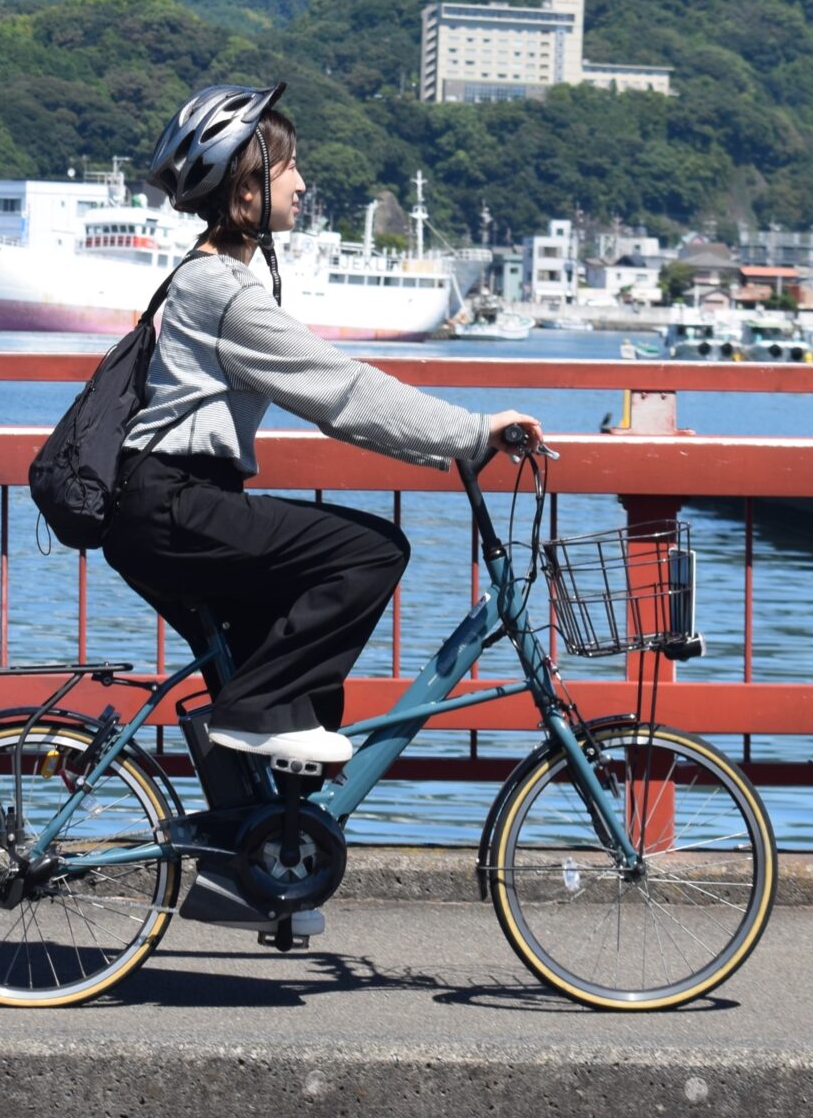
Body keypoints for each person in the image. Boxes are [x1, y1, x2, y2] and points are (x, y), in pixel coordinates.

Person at [102, 83, 540, 782]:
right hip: (176, 504)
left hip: (162, 509)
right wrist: (472, 432)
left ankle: (248, 868)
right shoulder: (222, 291)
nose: (302, 183)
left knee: (287, 689)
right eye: (287, 168)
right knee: (369, 552)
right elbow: (341, 390)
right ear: (244, 187)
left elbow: (336, 392)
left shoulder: (202, 280)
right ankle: (252, 718)